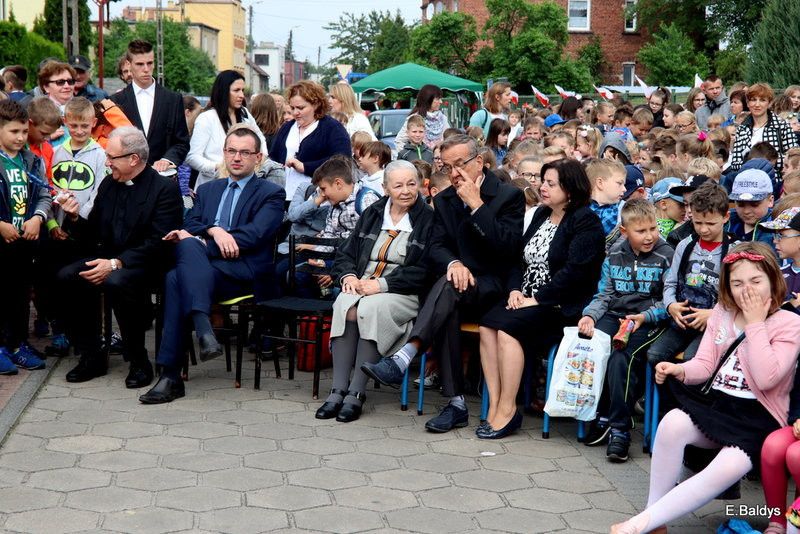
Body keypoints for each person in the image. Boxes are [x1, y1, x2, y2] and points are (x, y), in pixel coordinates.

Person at [611, 241, 800, 534]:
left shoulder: (790, 323)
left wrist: (755, 324)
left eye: (756, 281)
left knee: (726, 467)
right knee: (672, 422)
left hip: (757, 418)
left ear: (774, 281)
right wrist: (680, 369)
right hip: (718, 403)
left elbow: (767, 378)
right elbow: (706, 365)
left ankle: (640, 524)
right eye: (737, 283)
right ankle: (654, 520)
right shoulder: (723, 313)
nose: (746, 290)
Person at [362, 134, 525, 433]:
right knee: (448, 294)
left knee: (446, 291)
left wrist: (477, 207)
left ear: (480, 162)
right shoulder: (446, 198)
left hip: (494, 287)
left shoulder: (507, 196)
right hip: (455, 287)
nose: (454, 173)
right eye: (447, 166)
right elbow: (435, 246)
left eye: (460, 165)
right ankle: (456, 405)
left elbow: (508, 250)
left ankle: (409, 357)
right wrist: (454, 263)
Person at [140, 125, 284, 403]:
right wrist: (214, 231)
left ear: (258, 157)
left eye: (245, 152)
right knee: (181, 260)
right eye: (231, 151)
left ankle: (172, 374)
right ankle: (200, 332)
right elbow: (191, 222)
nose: (237, 158)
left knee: (177, 273)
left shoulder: (270, 193)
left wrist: (206, 242)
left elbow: (255, 235)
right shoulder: (208, 189)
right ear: (224, 153)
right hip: (207, 271)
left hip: (245, 272)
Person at [477, 158, 605, 438]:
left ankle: (509, 410)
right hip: (525, 299)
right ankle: (496, 403)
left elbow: (576, 273)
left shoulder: (585, 221)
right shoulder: (539, 214)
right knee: (487, 325)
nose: (542, 187)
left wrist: (538, 298)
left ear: (570, 188)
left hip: (560, 306)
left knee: (508, 331)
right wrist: (514, 290)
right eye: (542, 182)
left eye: (550, 184)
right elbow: (518, 259)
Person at [56, 127, 183, 387]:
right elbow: (94, 235)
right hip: (108, 258)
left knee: (117, 281)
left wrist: (116, 263)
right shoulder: (109, 184)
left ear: (133, 159)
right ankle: (91, 355)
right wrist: (73, 217)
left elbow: (159, 241)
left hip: (147, 264)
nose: (106, 162)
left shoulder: (164, 189)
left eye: (112, 157)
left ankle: (138, 361)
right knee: (67, 277)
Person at [315, 160, 435, 422]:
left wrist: (380, 285)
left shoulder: (429, 219)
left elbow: (425, 270)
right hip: (362, 285)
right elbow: (347, 252)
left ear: (421, 185)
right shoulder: (373, 213)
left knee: (369, 308)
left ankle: (356, 393)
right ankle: (337, 390)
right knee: (345, 304)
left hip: (402, 293)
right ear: (385, 188)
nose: (405, 190)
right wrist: (347, 276)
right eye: (398, 185)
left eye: (411, 184)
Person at [579, 199, 673, 461]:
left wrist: (646, 316)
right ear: (624, 231)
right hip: (615, 313)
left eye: (653, 228)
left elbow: (670, 301)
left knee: (622, 356)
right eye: (640, 231)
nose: (649, 236)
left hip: (649, 319)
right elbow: (605, 294)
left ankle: (619, 428)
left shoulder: (667, 254)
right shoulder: (615, 253)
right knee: (593, 343)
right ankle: (601, 411)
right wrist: (589, 315)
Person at [645, 181, 732, 370]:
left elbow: (737, 298)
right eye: (698, 223)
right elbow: (671, 283)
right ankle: (667, 399)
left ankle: (689, 399)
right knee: (654, 355)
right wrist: (671, 305)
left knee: (692, 360)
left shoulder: (733, 251)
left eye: (710, 223)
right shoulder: (685, 245)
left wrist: (714, 314)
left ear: (725, 217)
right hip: (683, 320)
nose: (703, 229)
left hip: (713, 323)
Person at [0, 99, 50, 374]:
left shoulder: (31, 160)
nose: (20, 137)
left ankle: (17, 345)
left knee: (20, 295)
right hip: (1, 240)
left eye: (23, 131)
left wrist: (37, 218)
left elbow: (43, 194)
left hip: (23, 243)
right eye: (13, 132)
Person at [110, 39, 190, 171]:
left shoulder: (173, 99)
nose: (146, 69)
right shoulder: (115, 101)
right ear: (128, 65)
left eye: (150, 63)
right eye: (140, 64)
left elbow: (182, 142)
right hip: (127, 178)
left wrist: (167, 159)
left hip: (162, 179)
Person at [269, 80, 351, 200]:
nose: (295, 112)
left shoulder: (332, 127)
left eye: (301, 108)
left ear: (316, 104)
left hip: (316, 197)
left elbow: (342, 160)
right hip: (284, 195)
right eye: (292, 108)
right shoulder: (287, 127)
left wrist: (305, 167)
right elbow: (274, 156)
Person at [186, 70, 268, 188]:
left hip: (244, 184)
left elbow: (260, 138)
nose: (241, 95)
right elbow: (192, 157)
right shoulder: (207, 119)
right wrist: (219, 167)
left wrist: (260, 160)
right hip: (213, 186)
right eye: (236, 90)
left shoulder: (245, 114)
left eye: (242, 90)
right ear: (223, 92)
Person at [730, 83, 798, 176]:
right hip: (748, 180)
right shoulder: (742, 128)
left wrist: (765, 163)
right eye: (753, 100)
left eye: (762, 100)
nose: (757, 105)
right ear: (748, 103)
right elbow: (735, 163)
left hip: (776, 181)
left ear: (769, 103)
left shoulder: (782, 126)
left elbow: (793, 158)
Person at [726, 168, 775, 247]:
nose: (746, 211)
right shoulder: (726, 223)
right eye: (740, 205)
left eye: (754, 205)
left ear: (770, 201)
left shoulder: (776, 231)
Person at [394, 84, 451, 149]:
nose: (441, 102)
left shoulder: (442, 118)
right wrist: (410, 156)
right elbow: (399, 141)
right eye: (438, 99)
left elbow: (449, 139)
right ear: (428, 99)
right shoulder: (414, 118)